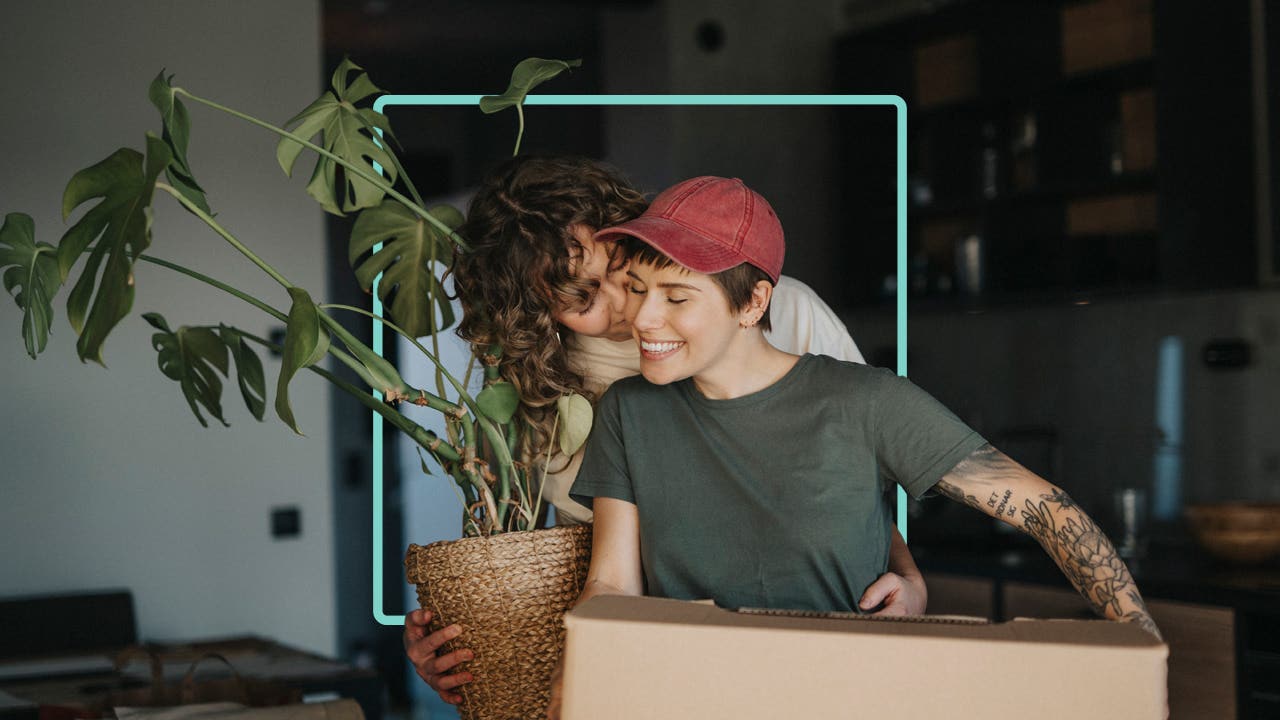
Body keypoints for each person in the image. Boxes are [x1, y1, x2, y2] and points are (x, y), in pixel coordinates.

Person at [546, 175, 1161, 718]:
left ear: (753, 302)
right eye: (637, 289)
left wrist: (1140, 650)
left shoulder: (867, 401)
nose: (645, 320)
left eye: (676, 298)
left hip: (851, 700)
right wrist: (566, 696)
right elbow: (612, 587)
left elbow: (1047, 511)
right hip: (693, 701)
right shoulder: (631, 410)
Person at [403, 156, 924, 707]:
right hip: (644, 668)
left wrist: (907, 574)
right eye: (579, 299)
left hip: (810, 651)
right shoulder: (533, 391)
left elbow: (860, 483)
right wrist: (465, 640)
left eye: (620, 266)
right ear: (534, 311)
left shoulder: (782, 309)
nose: (627, 306)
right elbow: (558, 564)